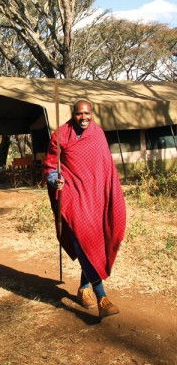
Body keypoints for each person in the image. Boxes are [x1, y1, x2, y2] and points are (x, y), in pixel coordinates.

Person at [44, 99, 126, 319]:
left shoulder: (98, 133)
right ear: (73, 114)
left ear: (92, 114)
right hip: (72, 196)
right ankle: (102, 298)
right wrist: (55, 180)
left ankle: (82, 288)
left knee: (93, 242)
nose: (84, 117)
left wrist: (110, 193)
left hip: (96, 196)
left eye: (87, 113)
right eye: (80, 114)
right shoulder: (60, 135)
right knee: (82, 240)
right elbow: (51, 165)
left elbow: (105, 165)